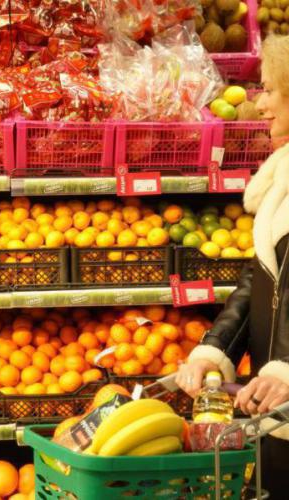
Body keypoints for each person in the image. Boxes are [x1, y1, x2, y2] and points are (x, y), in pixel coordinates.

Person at [176, 34, 289, 499]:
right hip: (274, 405)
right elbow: (259, 278)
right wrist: (215, 349)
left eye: (270, 90)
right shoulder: (281, 176)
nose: (260, 104)